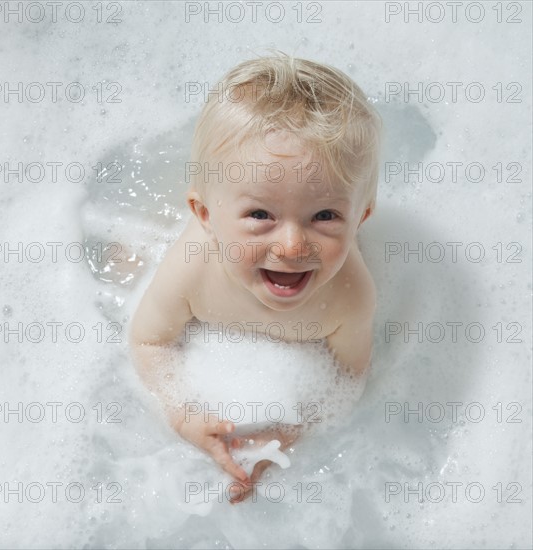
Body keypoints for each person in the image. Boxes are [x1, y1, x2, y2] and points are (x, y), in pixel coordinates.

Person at [130, 53, 382, 503]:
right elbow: (150, 342)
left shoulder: (350, 296)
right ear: (205, 215)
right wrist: (184, 415)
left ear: (361, 217)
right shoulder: (193, 270)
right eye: (260, 214)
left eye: (325, 215)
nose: (290, 246)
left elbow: (347, 377)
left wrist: (288, 434)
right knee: (131, 248)